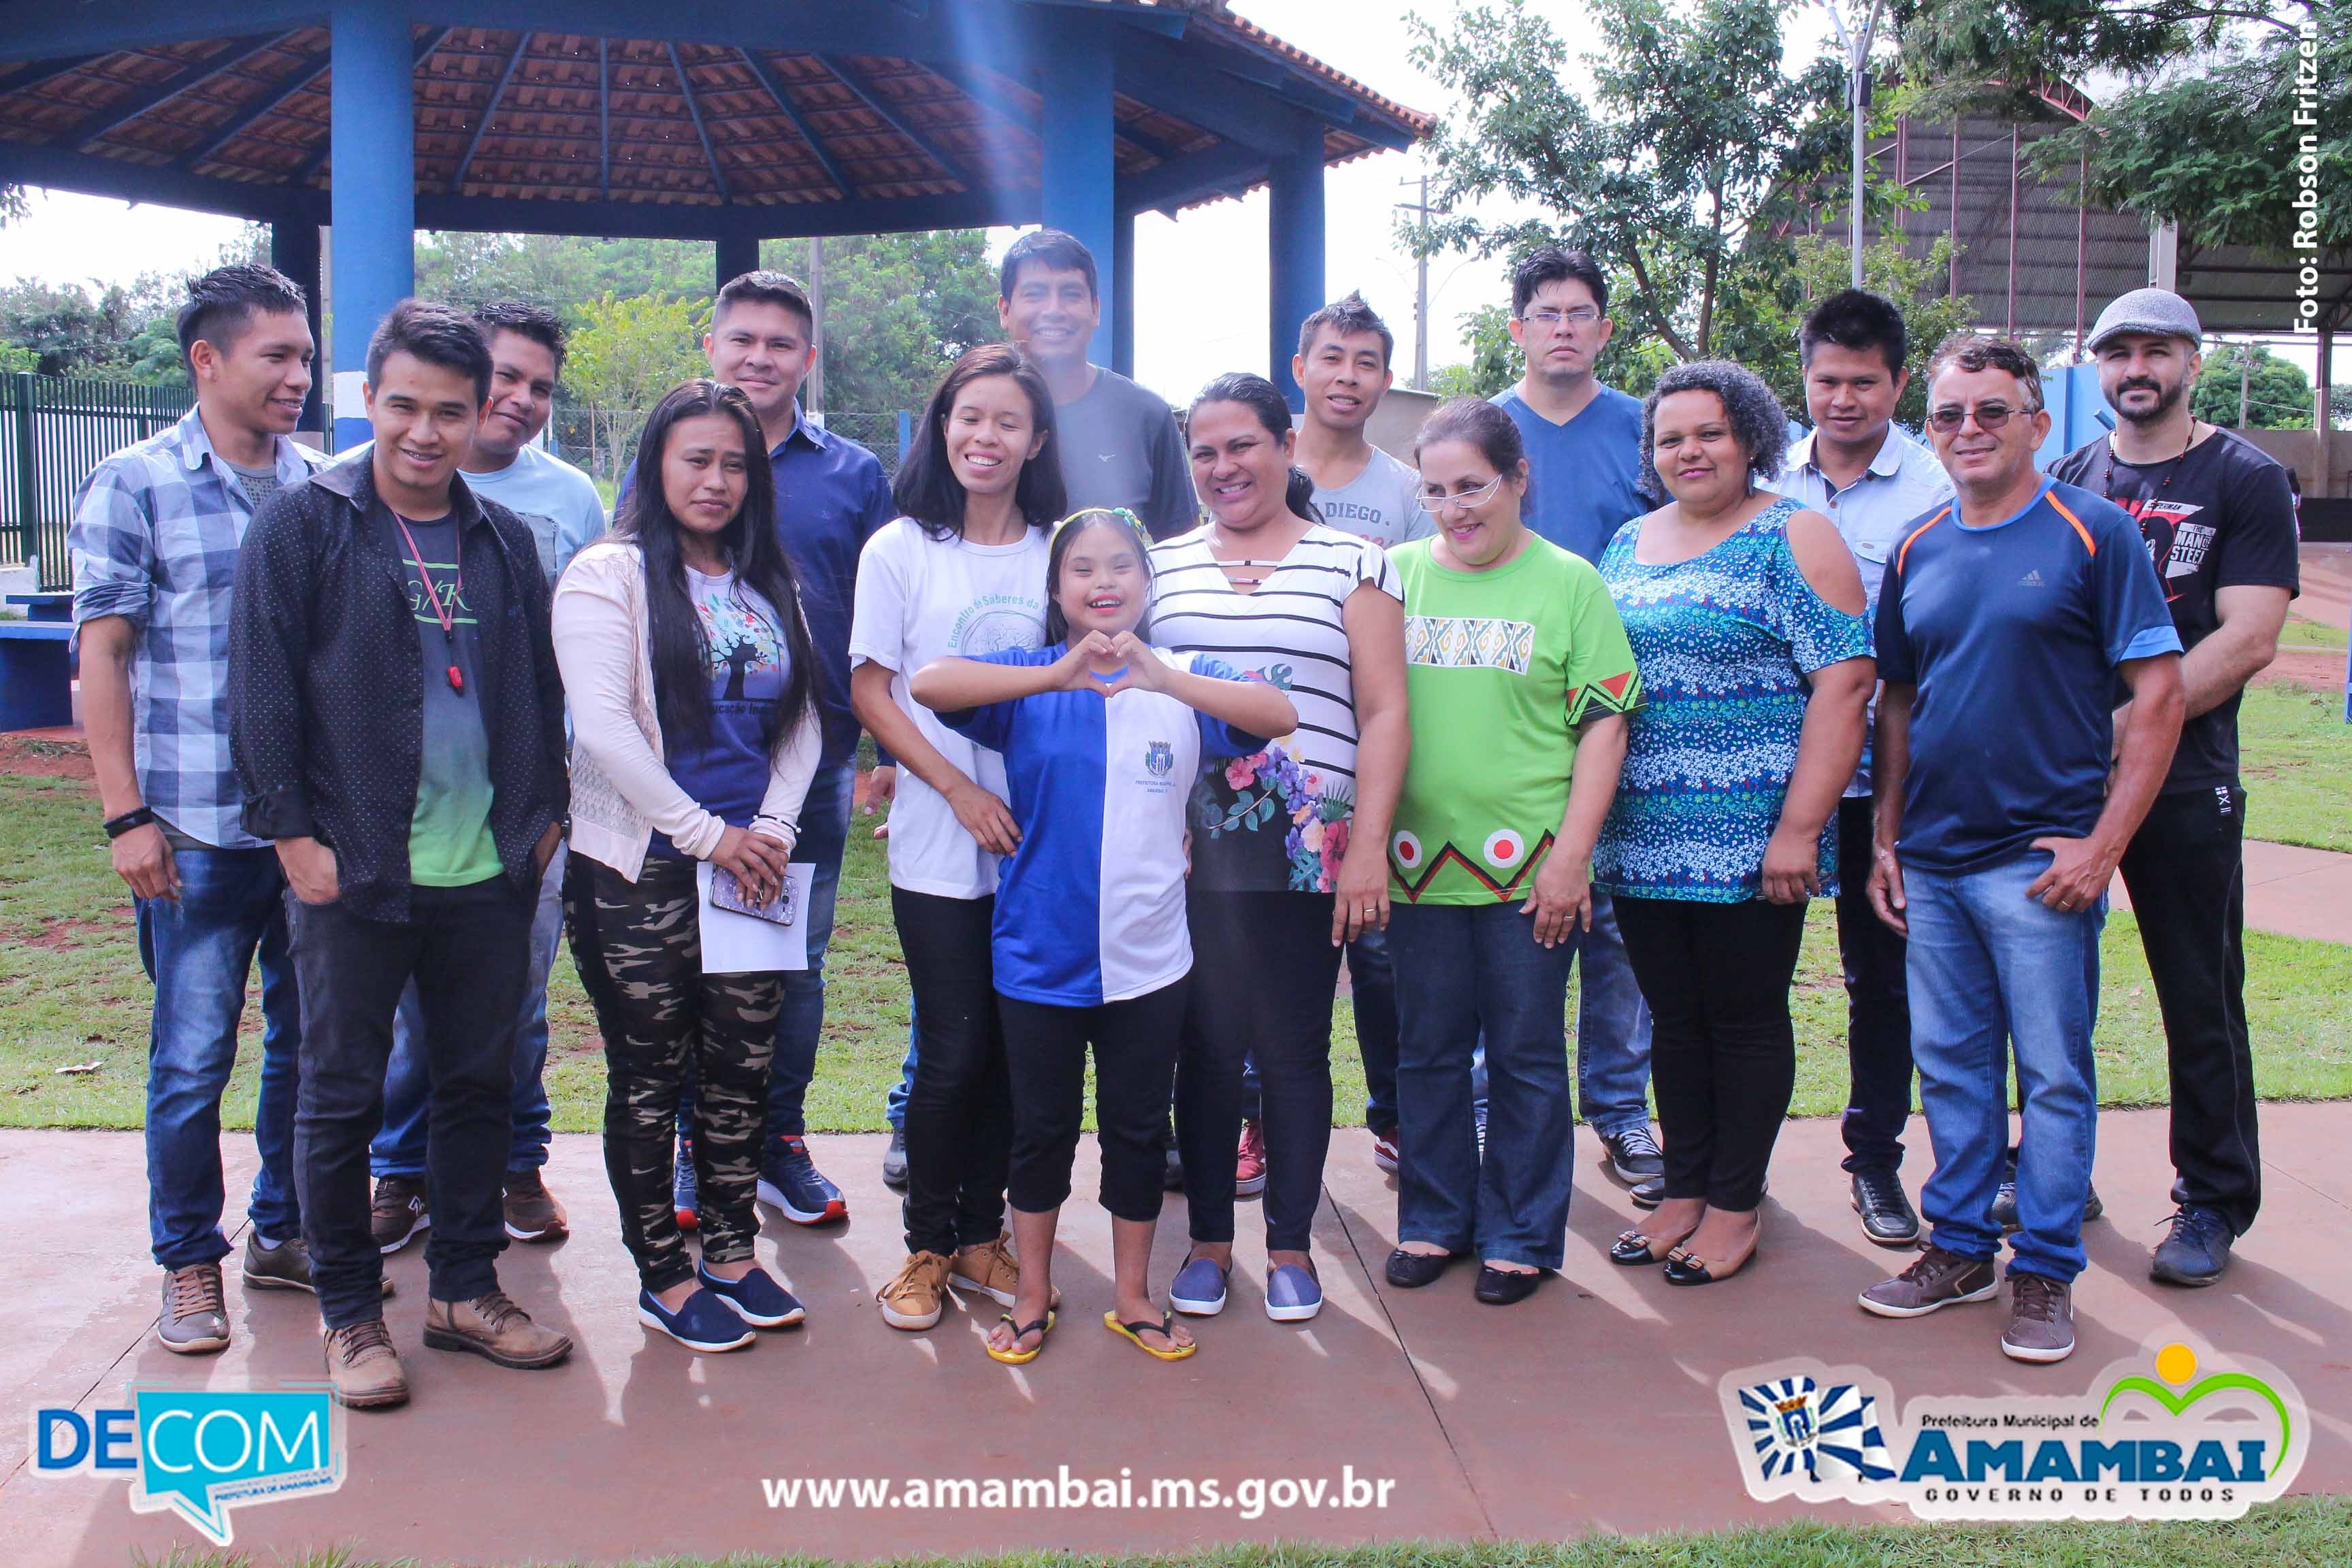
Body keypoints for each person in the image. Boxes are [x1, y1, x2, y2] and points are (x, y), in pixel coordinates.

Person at [229, 299, 574, 1408]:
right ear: (370, 400)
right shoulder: (305, 526)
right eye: (405, 406)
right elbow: (263, 692)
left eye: (451, 412)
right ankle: (348, 1312)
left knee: (476, 1084)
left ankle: (465, 1290)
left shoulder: (503, 539)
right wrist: (293, 836)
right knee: (340, 1097)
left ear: (480, 415)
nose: (426, 432)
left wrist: (543, 817)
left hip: (489, 871)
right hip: (356, 867)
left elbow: (538, 689)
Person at [1861, 336, 2185, 1365]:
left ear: (2039, 424)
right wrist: (1886, 837)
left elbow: (2160, 695)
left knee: (2051, 1075)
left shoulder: (2094, 533)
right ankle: (1959, 1248)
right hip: (1935, 861)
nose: (1970, 430)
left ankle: (2044, 1268)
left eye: (1993, 411)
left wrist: (2103, 847)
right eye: (1949, 415)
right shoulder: (1916, 547)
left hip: (2040, 865)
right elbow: (1898, 700)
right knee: (1952, 1069)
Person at [908, 510, 1296, 1364]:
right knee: (1040, 1133)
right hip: (1038, 955)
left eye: (1122, 565)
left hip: (1150, 959)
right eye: (1082, 569)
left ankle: (1132, 1298)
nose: (1104, 582)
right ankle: (1033, 1298)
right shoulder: (1029, 679)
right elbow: (931, 685)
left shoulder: (1182, 675)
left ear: (1148, 583)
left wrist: (1164, 677)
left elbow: (1277, 712)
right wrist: (1056, 676)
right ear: (1057, 590)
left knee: (1135, 1131)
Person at [70, 265, 324, 1353]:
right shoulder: (135, 484)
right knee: (189, 1063)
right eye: (277, 355)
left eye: (305, 356)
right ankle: (188, 1264)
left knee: (308, 1049)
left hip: (306, 831)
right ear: (207, 360)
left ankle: (283, 1231)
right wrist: (125, 816)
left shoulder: (321, 486)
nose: (298, 376)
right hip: (193, 831)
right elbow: (103, 655)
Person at [619, 270, 894, 1226]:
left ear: (807, 359)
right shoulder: (672, 453)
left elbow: (882, 618)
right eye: (742, 339)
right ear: (712, 345)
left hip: (807, 763)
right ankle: (698, 1150)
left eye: (781, 344)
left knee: (790, 962)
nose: (759, 358)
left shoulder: (854, 474)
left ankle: (778, 1141)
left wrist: (882, 749)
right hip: (688, 767)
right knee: (691, 966)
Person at [556, 380, 819, 1352]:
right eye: (696, 459)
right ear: (656, 465)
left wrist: (774, 828)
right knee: (651, 1076)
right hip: (645, 870)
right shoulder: (607, 575)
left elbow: (804, 719)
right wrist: (710, 836)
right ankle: (662, 1276)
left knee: (741, 1071)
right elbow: (605, 730)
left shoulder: (769, 581)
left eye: (735, 464)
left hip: (753, 868)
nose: (716, 481)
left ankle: (732, 1255)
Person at [1597, 362, 1874, 1286]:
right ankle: (1684, 1190)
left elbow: (1846, 682)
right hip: (1642, 837)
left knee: (1743, 1019)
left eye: (1709, 433)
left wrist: (1800, 828)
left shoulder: (1793, 533)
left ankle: (1734, 1204)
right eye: (1670, 437)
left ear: (1751, 437)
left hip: (1754, 840)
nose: (1690, 451)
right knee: (1675, 1022)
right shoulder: (1629, 542)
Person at [2051, 289, 2300, 1287]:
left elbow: (2249, 638)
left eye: (2158, 350)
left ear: (2195, 362)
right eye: (2119, 352)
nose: (2137, 369)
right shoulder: (2072, 477)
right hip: (2068, 782)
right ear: (2097, 367)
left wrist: (2123, 730)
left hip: (2186, 781)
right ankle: (2058, 1172)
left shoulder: (2244, 477)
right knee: (2048, 988)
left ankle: (2213, 1198)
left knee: (2198, 992)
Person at [1151, 374, 1409, 1325]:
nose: (1224, 467)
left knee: (1295, 1050)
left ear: (1286, 445)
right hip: (1186, 851)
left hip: (1311, 849)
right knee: (1206, 1050)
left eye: (1242, 446)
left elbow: (1385, 711)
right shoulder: (1159, 567)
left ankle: (1291, 1247)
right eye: (1205, 452)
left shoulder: (1356, 562)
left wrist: (1369, 846)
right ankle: (1210, 1244)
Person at [1382, 399, 1639, 1307]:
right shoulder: (1394, 578)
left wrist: (1572, 855)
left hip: (1531, 873)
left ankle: (1522, 1233)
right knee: (1427, 1052)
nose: (1454, 509)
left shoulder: (1570, 583)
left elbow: (1605, 724)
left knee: (1527, 1054)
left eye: (1473, 486)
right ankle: (1434, 1218)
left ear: (1519, 479)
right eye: (1436, 491)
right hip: (1416, 871)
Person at [368, 301, 607, 1254]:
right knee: (407, 1013)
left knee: (517, 1000)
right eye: (505, 377)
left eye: (540, 387)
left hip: (523, 802)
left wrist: (558, 803)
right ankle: (400, 1169)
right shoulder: (362, 497)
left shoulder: (568, 500)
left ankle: (516, 1160)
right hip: (402, 803)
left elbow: (584, 652)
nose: (520, 400)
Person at [849, 344, 1062, 1332]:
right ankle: (926, 1249)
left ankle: (983, 1237)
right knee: (952, 1050)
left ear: (1037, 441)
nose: (986, 437)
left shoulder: (1057, 550)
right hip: (940, 844)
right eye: (970, 417)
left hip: (1040, 848)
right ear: (943, 428)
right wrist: (955, 790)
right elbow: (872, 691)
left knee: (1017, 1052)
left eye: (1008, 421)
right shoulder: (900, 549)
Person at [1760, 290, 1954, 1247]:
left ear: (1898, 383)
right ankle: (1734, 1168)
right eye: (1827, 380)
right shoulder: (1764, 477)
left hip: (1889, 785)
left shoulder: (1936, 488)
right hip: (1774, 780)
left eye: (1865, 383)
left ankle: (1874, 1162)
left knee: (1885, 981)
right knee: (1752, 980)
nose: (1844, 400)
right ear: (1804, 379)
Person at [1487, 247, 1662, 1194]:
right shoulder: (1484, 430)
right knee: (1503, 910)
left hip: (1618, 707)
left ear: (1604, 329)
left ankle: (1622, 1111)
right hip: (1506, 713)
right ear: (1518, 329)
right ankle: (1491, 1105)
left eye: (1580, 312)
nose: (1563, 327)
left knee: (1616, 927)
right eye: (1546, 312)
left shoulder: (1647, 431)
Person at [1289, 291, 1424, 1175]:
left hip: (1372, 749)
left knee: (1379, 953)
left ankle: (1397, 1118)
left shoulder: (1406, 492)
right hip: (1269, 759)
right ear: (1300, 368)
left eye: (1366, 362)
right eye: (1332, 358)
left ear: (1384, 378)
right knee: (1264, 954)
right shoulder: (1259, 464)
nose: (1348, 377)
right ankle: (1256, 1121)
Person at [997, 229, 1196, 540]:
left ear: (1096, 310)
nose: (1053, 310)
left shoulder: (1146, 414)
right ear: (1005, 310)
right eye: (1035, 294)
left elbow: (1181, 549)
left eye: (1071, 294)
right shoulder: (974, 414)